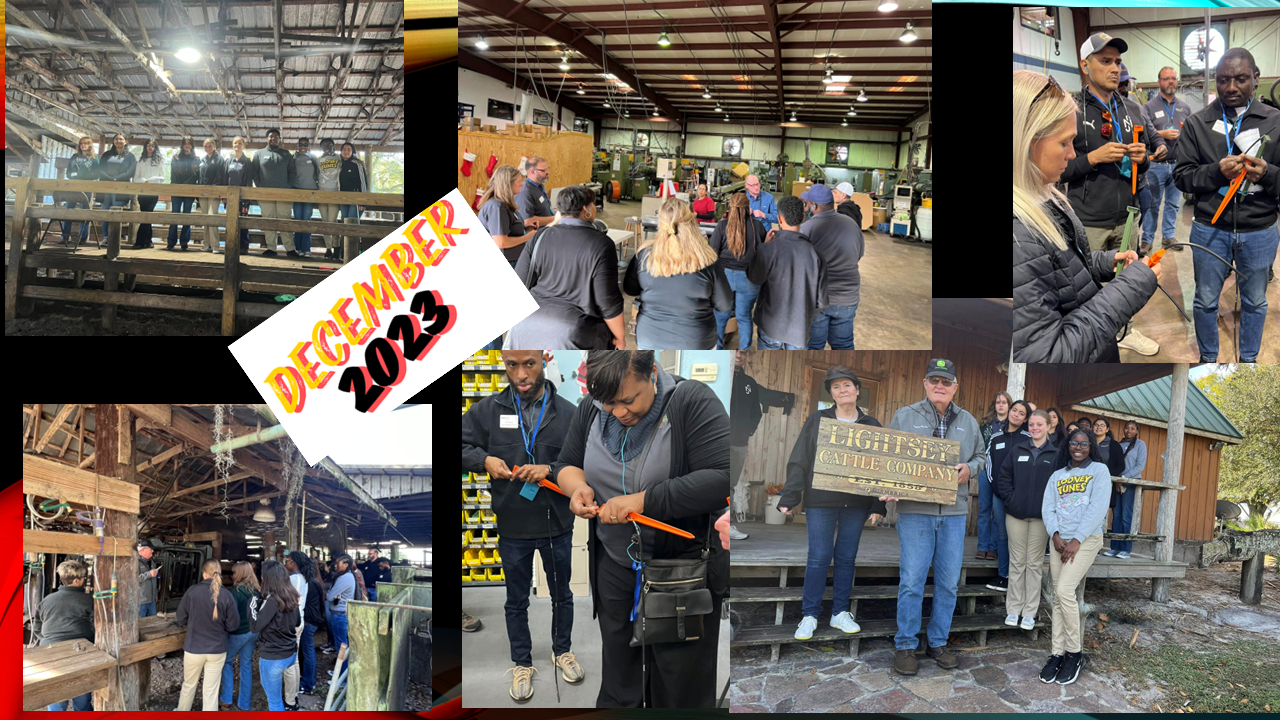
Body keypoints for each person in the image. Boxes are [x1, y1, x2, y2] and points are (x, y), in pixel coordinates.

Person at [553, 351, 729, 708]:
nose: (619, 412)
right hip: (616, 564)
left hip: (680, 572)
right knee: (620, 671)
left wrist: (644, 500)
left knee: (679, 679)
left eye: (629, 400)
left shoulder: (690, 401)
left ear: (652, 373)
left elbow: (722, 477)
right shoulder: (591, 409)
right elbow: (566, 463)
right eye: (609, 403)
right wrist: (577, 488)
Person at [1012, 70, 1160, 362]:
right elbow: (1049, 355)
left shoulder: (1044, 196)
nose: (1071, 154)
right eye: (1064, 143)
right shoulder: (1019, 237)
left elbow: (1060, 270)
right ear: (1026, 141)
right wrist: (1132, 287)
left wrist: (1103, 263)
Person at [461, 349, 580, 702]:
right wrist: (483, 459)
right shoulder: (486, 411)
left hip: (557, 523)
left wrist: (551, 469)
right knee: (515, 600)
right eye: (512, 365)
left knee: (562, 595)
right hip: (512, 525)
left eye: (529, 364)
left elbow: (585, 458)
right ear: (504, 364)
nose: (521, 375)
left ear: (544, 359)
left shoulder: (569, 413)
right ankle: (522, 662)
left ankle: (563, 651)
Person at [1173, 47, 1280, 363]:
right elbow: (1182, 177)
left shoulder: (1276, 122)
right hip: (1210, 230)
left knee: (1255, 301)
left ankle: (1248, 361)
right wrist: (1216, 172)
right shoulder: (1197, 123)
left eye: (1241, 79)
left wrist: (1268, 174)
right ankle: (1208, 358)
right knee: (1205, 300)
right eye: (1222, 80)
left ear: (1256, 78)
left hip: (1260, 230)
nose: (1231, 87)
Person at [883, 358, 986, 677]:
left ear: (955, 387)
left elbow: (981, 456)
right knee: (912, 581)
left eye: (946, 382)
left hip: (954, 513)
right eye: (934, 380)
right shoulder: (905, 416)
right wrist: (890, 485)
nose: (940, 386)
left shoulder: (968, 421)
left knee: (948, 583)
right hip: (915, 512)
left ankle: (938, 641)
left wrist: (970, 469)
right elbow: (888, 457)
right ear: (925, 384)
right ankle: (905, 645)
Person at [1060, 32, 1161, 357]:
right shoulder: (1069, 110)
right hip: (1087, 220)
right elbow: (1057, 171)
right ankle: (1084, 341)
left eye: (1117, 61)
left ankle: (1126, 331)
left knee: (1126, 281)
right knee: (1084, 286)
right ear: (1085, 65)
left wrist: (1143, 158)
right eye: (1105, 61)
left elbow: (1144, 162)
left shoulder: (1132, 108)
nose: (1115, 68)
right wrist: (1092, 158)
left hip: (1127, 217)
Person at [777, 366, 885, 640]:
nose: (842, 390)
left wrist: (878, 504)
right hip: (821, 500)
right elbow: (800, 457)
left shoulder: (872, 425)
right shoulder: (818, 419)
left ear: (858, 390)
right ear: (832, 394)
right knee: (819, 557)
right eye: (836, 386)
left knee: (847, 558)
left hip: (857, 502)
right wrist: (791, 495)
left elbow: (880, 467)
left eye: (847, 384)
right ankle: (810, 614)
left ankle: (839, 613)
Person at [509, 186, 626, 350]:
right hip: (571, 333)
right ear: (586, 209)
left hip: (526, 327)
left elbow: (520, 282)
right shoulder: (601, 244)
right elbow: (607, 301)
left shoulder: (540, 236)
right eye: (592, 204)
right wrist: (620, 337)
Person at [1039, 428, 1111, 686]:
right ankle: (1057, 653)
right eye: (1074, 443)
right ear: (1067, 445)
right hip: (1060, 541)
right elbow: (1048, 507)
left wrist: (1077, 539)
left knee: (1064, 591)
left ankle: (1075, 654)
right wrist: (1055, 534)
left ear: (1091, 447)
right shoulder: (1057, 475)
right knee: (1057, 598)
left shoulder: (1099, 471)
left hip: (1086, 540)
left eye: (1084, 443)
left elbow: (1098, 508)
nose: (1078, 447)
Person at [624, 196, 732, 349]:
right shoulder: (707, 259)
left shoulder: (644, 255)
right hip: (696, 341)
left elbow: (630, 289)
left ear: (660, 223)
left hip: (650, 337)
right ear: (691, 222)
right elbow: (724, 304)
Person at [996, 410, 1058, 631]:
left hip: (1041, 518)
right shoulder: (1017, 450)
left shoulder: (1056, 455)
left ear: (1048, 426)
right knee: (1017, 562)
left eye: (1039, 424)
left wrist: (1050, 509)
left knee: (1034, 564)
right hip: (1016, 515)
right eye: (1031, 424)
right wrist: (1012, 500)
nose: (1035, 428)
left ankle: (1030, 612)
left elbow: (1059, 485)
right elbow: (1003, 478)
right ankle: (1013, 609)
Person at [729, 351, 793, 541]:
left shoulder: (749, 383)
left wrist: (747, 432)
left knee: (729, 485)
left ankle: (725, 525)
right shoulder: (722, 376)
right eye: (735, 352)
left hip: (739, 442)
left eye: (743, 353)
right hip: (715, 440)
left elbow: (755, 412)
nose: (739, 355)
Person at [748, 194, 826, 349]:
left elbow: (755, 279)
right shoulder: (816, 255)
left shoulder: (768, 250)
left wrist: (762, 248)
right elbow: (821, 301)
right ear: (803, 217)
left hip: (771, 325)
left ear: (779, 219)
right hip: (799, 329)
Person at [799, 183, 864, 350]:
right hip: (848, 296)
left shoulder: (807, 228)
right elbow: (858, 254)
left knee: (814, 346)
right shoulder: (851, 224)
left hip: (820, 298)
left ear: (813, 205)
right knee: (844, 345)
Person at [1116, 62, 1168, 259]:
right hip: (1114, 188)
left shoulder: (1137, 109)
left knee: (1136, 225)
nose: (1122, 89)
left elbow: (1153, 135)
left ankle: (1136, 250)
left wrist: (1160, 145)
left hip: (1140, 185)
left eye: (1125, 84)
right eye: (1119, 84)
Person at [176, 558, 240, 711]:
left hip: (194, 647)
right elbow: (233, 625)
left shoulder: (192, 591)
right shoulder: (226, 595)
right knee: (210, 691)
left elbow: (181, 618)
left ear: (204, 574)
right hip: (217, 649)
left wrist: (193, 623)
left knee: (189, 685)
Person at [1142, 66, 1193, 256]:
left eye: (1173, 78)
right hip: (1156, 165)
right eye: (1166, 79)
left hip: (1178, 164)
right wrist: (1161, 134)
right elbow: (1143, 134)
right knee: (1152, 204)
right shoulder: (1148, 107)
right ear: (1159, 82)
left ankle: (1168, 237)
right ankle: (1147, 239)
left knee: (1173, 204)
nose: (1171, 82)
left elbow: (1191, 133)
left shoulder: (1185, 108)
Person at [708, 192, 768, 350]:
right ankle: (744, 350)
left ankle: (717, 349)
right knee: (744, 317)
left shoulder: (723, 226)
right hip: (749, 277)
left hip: (724, 278)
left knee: (721, 316)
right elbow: (763, 253)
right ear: (748, 208)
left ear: (730, 207)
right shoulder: (758, 227)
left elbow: (712, 252)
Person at [984, 400, 1033, 593]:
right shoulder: (996, 437)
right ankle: (1003, 575)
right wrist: (997, 489)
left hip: (1020, 497)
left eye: (1022, 413)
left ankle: (1019, 577)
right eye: (1014, 410)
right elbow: (989, 465)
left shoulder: (1028, 439)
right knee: (1002, 534)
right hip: (999, 495)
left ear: (1025, 419)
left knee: (1019, 536)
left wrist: (1020, 492)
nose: (1016, 415)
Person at [34, 560, 95, 711]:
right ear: (76, 581)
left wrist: (50, 640)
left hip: (49, 649)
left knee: (56, 692)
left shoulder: (47, 600)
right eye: (83, 578)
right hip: (79, 650)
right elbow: (97, 627)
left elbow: (37, 627)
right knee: (81, 689)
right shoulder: (88, 600)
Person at [253, 560, 302, 711]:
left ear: (268, 578)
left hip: (273, 655)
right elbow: (297, 622)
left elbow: (255, 627)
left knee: (274, 701)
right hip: (289, 653)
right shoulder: (292, 596)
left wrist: (252, 604)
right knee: (275, 698)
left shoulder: (272, 601)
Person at [478, 165, 539, 268]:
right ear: (508, 184)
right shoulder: (497, 207)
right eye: (519, 181)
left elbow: (506, 228)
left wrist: (525, 227)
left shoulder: (504, 204)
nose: (522, 184)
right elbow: (501, 242)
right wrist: (527, 237)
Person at [976, 391, 1012, 561]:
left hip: (1003, 474)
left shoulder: (1013, 425)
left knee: (998, 512)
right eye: (998, 402)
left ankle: (993, 547)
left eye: (1004, 402)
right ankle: (982, 546)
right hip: (985, 470)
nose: (1001, 405)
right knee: (984, 509)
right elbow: (978, 446)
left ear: (1009, 405)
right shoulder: (986, 424)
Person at [220, 561, 261, 711]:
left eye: (234, 572)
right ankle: (244, 703)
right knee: (246, 664)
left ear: (240, 574)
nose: (232, 575)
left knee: (226, 661)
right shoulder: (257, 590)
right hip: (253, 632)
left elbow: (230, 614)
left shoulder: (236, 591)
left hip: (239, 633)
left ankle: (226, 699)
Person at [1104, 420, 1146, 559]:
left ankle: (1126, 549)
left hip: (1130, 483)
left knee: (1126, 516)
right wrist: (1118, 480)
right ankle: (1115, 547)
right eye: (1127, 428)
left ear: (1137, 431)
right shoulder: (1118, 444)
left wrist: (1124, 478)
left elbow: (1140, 466)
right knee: (1116, 516)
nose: (1129, 431)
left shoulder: (1140, 445)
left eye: (1132, 428)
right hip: (1116, 482)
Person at [253, 128, 297, 257]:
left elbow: (292, 171)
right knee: (268, 220)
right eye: (271, 136)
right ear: (267, 138)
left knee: (285, 220)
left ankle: (290, 248)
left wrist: (288, 186)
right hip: (265, 193)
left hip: (284, 193)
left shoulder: (286, 154)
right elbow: (255, 171)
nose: (273, 138)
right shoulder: (259, 154)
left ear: (279, 139)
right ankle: (271, 248)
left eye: (276, 137)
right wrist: (260, 186)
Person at [281, 551, 311, 710]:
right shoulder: (302, 578)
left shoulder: (293, 579)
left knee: (289, 662)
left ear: (293, 562)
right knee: (294, 659)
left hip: (291, 622)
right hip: (299, 620)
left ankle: (290, 700)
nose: (285, 563)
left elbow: (284, 601)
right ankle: (293, 693)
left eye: (287, 560)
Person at [98, 133, 137, 244]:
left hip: (121, 188)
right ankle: (106, 237)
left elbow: (131, 171)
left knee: (116, 213)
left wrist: (117, 179)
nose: (118, 141)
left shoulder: (130, 156)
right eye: (116, 139)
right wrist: (110, 178)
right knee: (105, 213)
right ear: (113, 141)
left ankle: (114, 238)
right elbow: (100, 169)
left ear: (125, 142)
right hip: (106, 186)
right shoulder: (106, 155)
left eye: (121, 139)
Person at [60, 137, 99, 245]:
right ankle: (65, 237)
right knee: (68, 211)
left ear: (90, 145)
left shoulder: (94, 159)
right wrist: (73, 176)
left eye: (86, 143)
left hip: (87, 187)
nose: (83, 145)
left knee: (85, 212)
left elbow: (97, 174)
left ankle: (83, 237)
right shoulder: (74, 157)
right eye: (81, 143)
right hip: (73, 186)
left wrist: (86, 177)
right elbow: (68, 172)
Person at [130, 139, 165, 249]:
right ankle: (148, 241)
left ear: (155, 148)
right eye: (148, 145)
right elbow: (136, 177)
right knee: (145, 215)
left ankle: (139, 241)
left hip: (154, 192)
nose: (150, 147)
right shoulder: (141, 161)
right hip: (142, 192)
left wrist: (151, 180)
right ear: (145, 147)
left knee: (147, 214)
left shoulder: (160, 161)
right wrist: (144, 181)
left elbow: (163, 177)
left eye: (152, 146)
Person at [225, 136, 257, 253]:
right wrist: (224, 196)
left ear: (243, 145)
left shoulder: (247, 161)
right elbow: (225, 178)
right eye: (235, 143)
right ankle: (231, 245)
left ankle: (243, 246)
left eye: (239, 143)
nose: (237, 145)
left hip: (243, 197)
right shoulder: (228, 161)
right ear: (232, 145)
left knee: (242, 222)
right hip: (230, 198)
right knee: (230, 222)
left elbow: (249, 181)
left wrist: (246, 197)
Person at [168, 136, 199, 251]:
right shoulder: (175, 158)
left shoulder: (196, 159)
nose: (187, 145)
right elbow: (173, 174)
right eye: (185, 143)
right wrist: (178, 187)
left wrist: (186, 185)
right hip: (176, 189)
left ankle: (184, 242)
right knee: (174, 214)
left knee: (187, 215)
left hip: (190, 190)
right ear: (182, 145)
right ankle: (171, 241)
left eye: (189, 143)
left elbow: (196, 174)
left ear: (192, 145)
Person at [196, 138, 227, 253]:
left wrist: (215, 191)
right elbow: (200, 177)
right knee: (205, 219)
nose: (208, 148)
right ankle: (206, 244)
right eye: (205, 146)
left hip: (214, 193)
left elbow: (220, 176)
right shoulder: (203, 160)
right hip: (203, 193)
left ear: (214, 146)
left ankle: (215, 246)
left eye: (210, 146)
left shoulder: (219, 159)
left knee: (212, 218)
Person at [291, 137, 319, 256]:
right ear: (297, 146)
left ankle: (306, 248)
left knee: (307, 219)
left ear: (308, 146)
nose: (303, 147)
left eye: (305, 144)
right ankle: (298, 248)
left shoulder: (313, 158)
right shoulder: (293, 158)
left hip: (310, 191)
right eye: (301, 144)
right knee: (298, 219)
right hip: (297, 191)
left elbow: (319, 172)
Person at [301, 558, 325, 695]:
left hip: (308, 620)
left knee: (308, 651)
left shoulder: (309, 584)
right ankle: (309, 679)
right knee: (308, 650)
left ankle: (308, 683)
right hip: (313, 619)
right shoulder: (316, 582)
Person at [324, 555, 356, 656]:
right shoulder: (346, 576)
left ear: (346, 565)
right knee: (342, 642)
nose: (335, 565)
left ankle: (342, 665)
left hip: (339, 615)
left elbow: (329, 596)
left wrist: (329, 593)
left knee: (341, 644)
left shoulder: (345, 578)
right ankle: (343, 664)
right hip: (340, 613)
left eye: (338, 563)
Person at [317, 138, 343, 259]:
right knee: (325, 222)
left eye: (329, 145)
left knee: (332, 221)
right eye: (324, 145)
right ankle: (328, 248)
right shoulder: (318, 160)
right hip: (322, 192)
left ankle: (336, 247)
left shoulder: (339, 158)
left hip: (335, 192)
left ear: (333, 146)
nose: (327, 147)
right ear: (321, 147)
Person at [338, 141, 368, 237]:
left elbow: (363, 182)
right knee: (344, 223)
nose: (346, 152)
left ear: (353, 152)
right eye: (344, 149)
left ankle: (353, 246)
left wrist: (363, 201)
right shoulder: (340, 165)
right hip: (343, 198)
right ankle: (344, 246)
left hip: (356, 199)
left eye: (349, 150)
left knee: (352, 223)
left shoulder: (357, 164)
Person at [517, 156, 556, 228]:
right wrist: (556, 218)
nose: (547, 172)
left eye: (548, 169)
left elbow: (543, 210)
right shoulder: (525, 191)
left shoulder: (538, 186)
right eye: (544, 171)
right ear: (532, 171)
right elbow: (527, 221)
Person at [1091, 418, 1126, 491]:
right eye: (1096, 425)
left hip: (1106, 482)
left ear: (1107, 429)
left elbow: (1121, 466)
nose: (1099, 427)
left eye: (1102, 425)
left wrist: (1106, 473)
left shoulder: (1114, 445)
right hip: (1087, 480)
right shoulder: (1087, 442)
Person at [137, 542, 160, 617]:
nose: (152, 551)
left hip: (152, 601)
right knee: (141, 622)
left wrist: (155, 594)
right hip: (141, 601)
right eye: (151, 549)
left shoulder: (152, 563)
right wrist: (149, 574)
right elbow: (133, 579)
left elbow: (154, 580)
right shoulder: (135, 562)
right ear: (143, 550)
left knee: (152, 621)